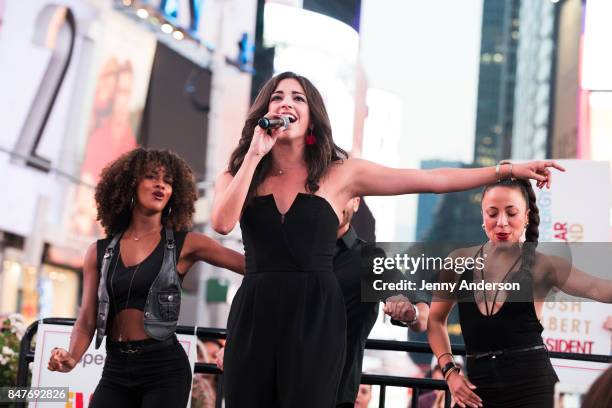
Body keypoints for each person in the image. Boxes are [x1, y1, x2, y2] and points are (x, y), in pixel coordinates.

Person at [211, 71, 563, 407]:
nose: (286, 104)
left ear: (312, 118)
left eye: (298, 98)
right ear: (263, 111)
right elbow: (222, 222)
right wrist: (255, 154)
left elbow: (431, 179)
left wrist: (507, 170)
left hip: (316, 316)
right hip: (256, 313)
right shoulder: (239, 173)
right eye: (277, 97)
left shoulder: (340, 173)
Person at [48, 148, 244, 408]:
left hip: (164, 369)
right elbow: (86, 319)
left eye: (168, 181)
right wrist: (71, 356)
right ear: (130, 184)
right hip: (115, 369)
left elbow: (255, 270)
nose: (161, 184)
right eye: (151, 176)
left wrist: (238, 334)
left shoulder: (188, 244)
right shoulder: (98, 252)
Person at [427, 178, 612, 408]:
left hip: (533, 391)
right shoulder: (458, 261)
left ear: (526, 217)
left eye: (511, 213)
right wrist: (450, 372)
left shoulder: (544, 266)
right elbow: (435, 320)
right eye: (492, 213)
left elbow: (598, 287)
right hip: (476, 394)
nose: (502, 222)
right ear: (483, 218)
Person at [335, 197, 429, 408]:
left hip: (335, 392)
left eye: (345, 193)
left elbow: (422, 315)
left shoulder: (368, 260)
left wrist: (410, 312)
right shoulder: (296, 251)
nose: (337, 202)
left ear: (356, 202)